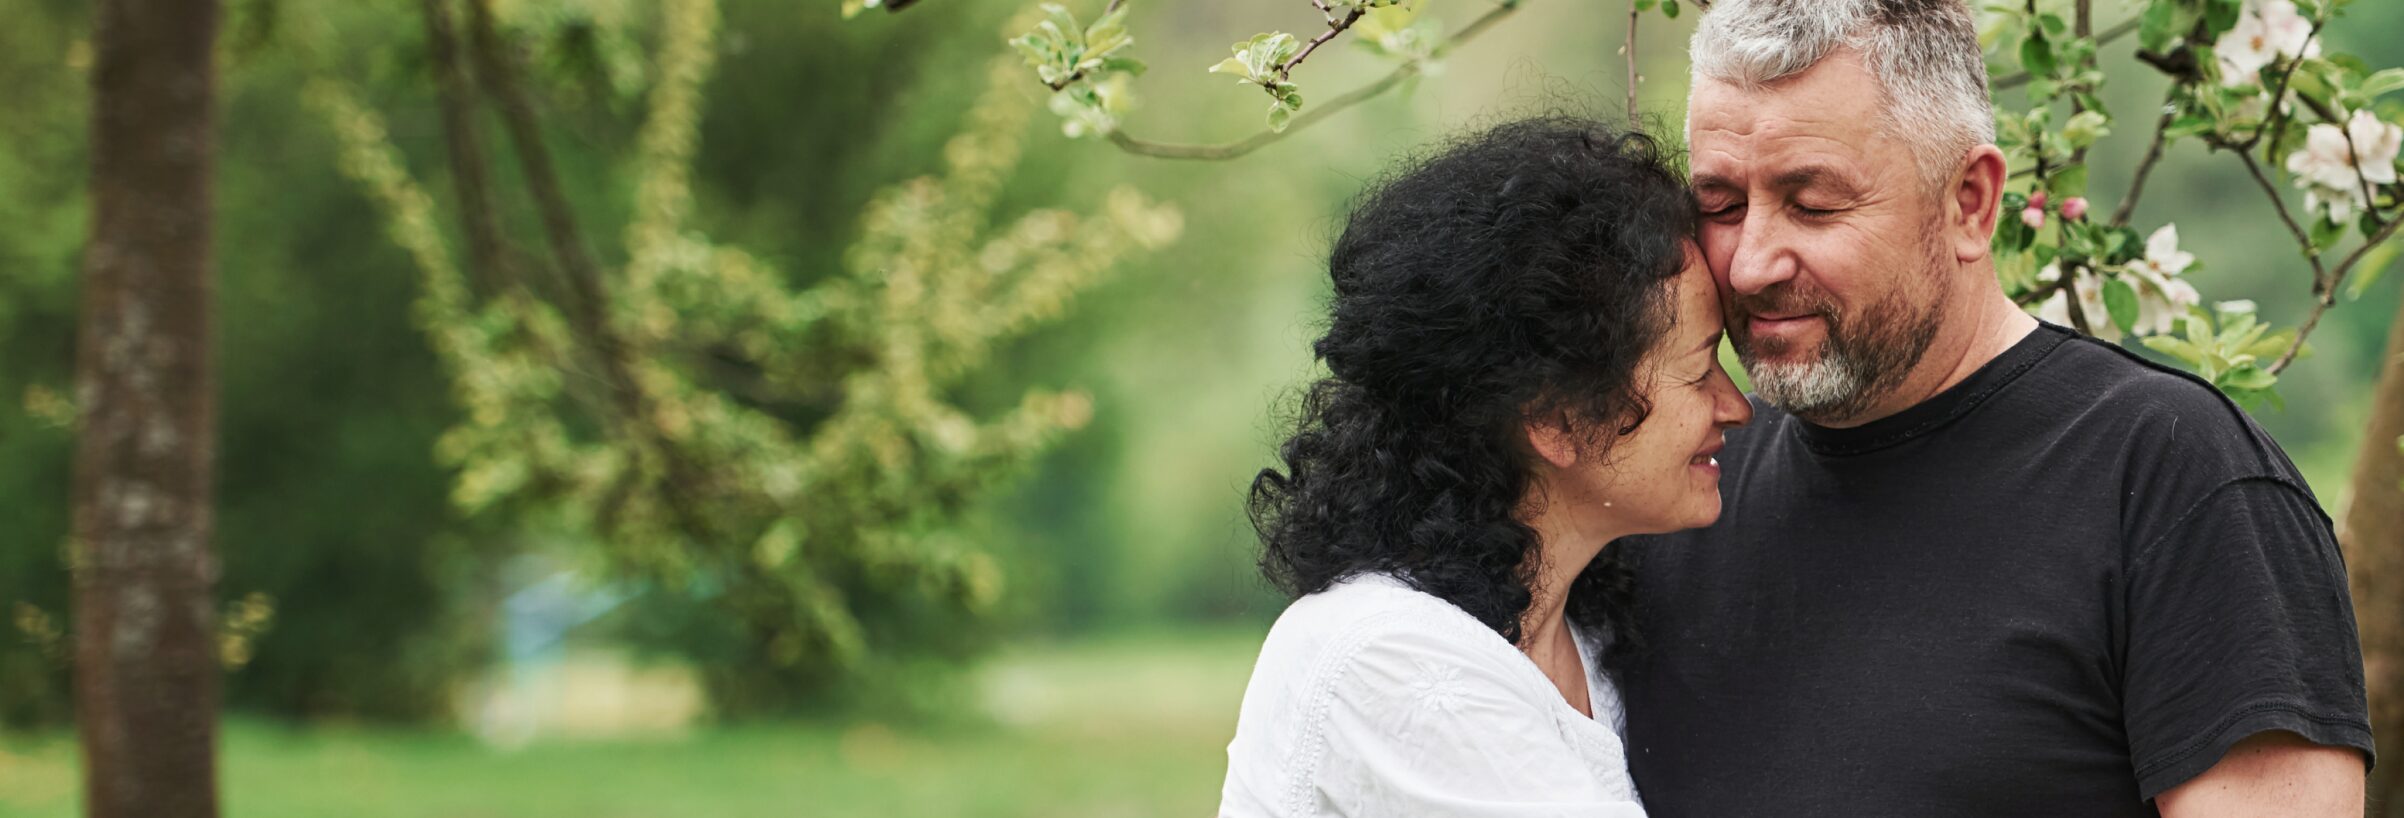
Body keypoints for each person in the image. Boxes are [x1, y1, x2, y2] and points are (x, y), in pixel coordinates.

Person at [1609, 1, 2375, 815]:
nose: (1753, 262)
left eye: (1815, 204)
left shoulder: (2174, 482)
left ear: (1970, 201)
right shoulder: (1675, 485)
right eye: (1721, 206)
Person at [1216, 117, 1750, 816]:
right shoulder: (1388, 659)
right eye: (1698, 368)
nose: (1734, 406)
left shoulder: (1579, 628)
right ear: (1558, 419)